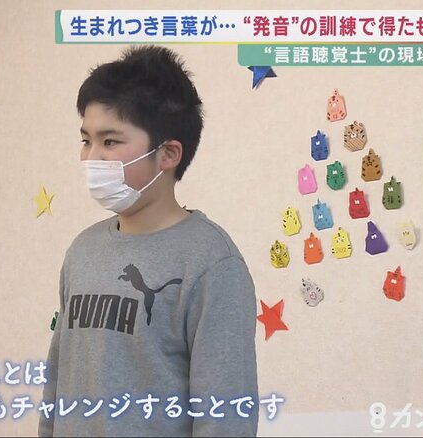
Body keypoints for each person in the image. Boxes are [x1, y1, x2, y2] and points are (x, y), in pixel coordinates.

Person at [39, 45, 259, 437]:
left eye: (110, 142)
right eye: (86, 140)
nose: (91, 158)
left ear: (168, 154)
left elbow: (226, 417)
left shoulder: (211, 263)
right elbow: (58, 381)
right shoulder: (82, 251)